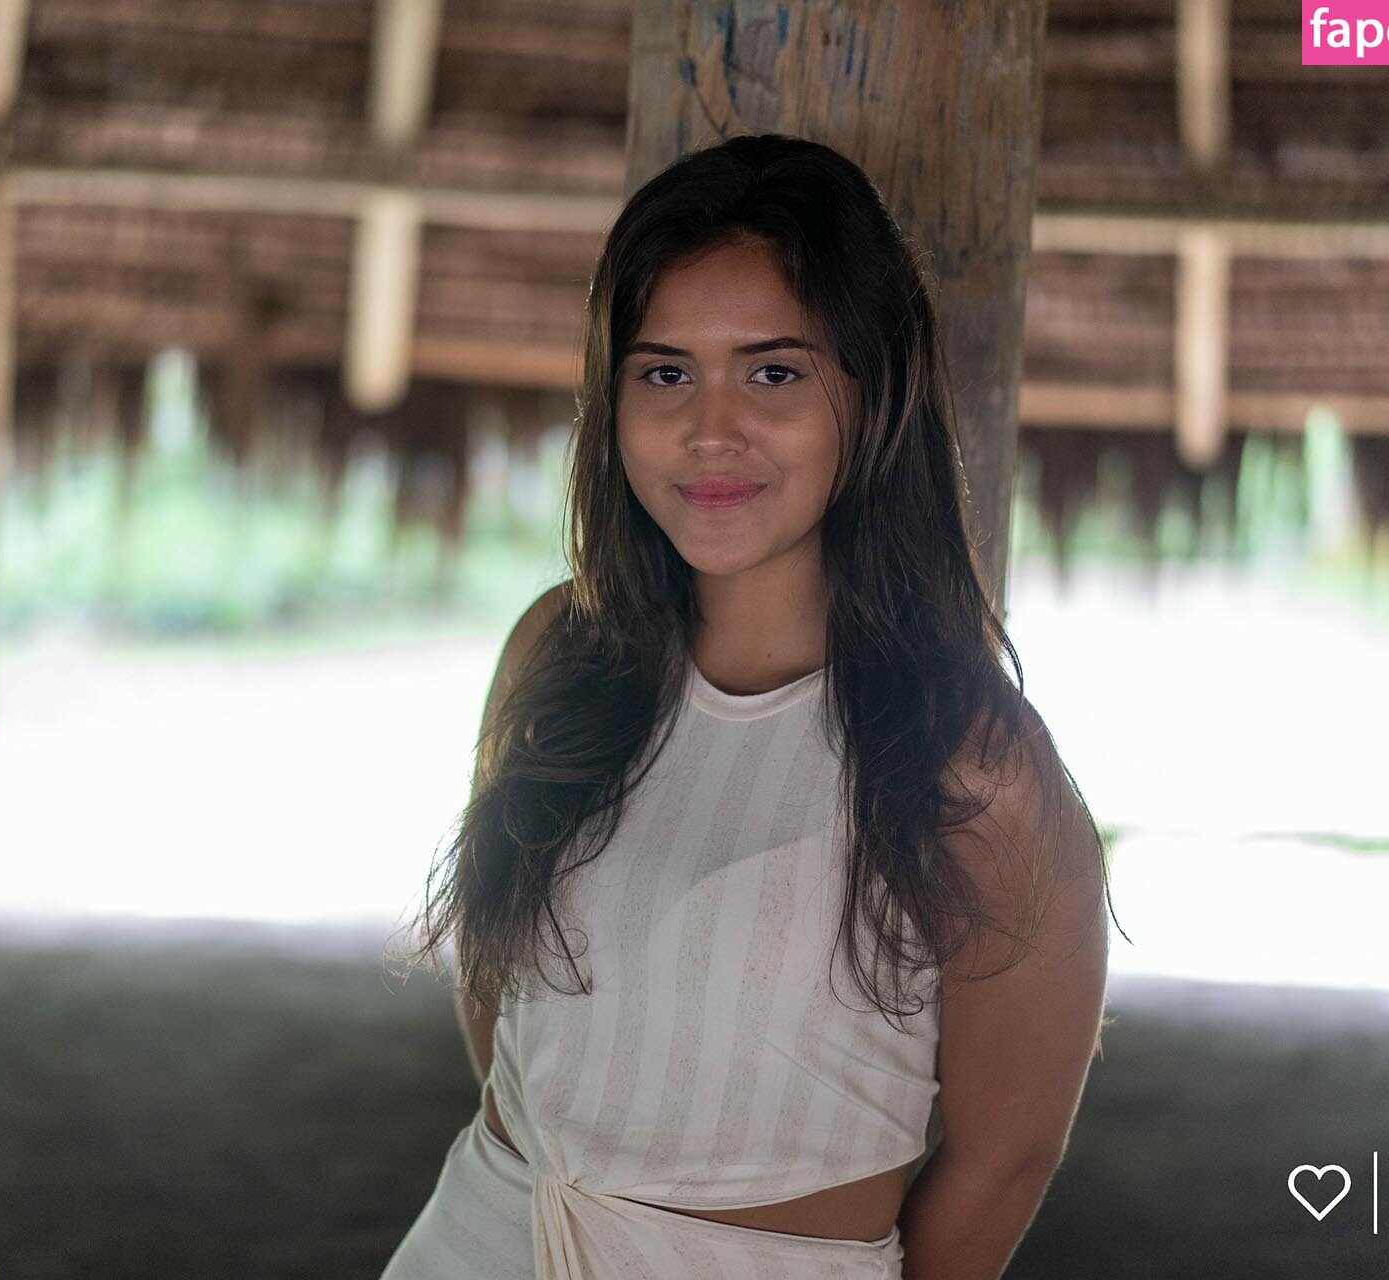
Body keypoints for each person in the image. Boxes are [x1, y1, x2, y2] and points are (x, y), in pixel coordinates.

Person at [382, 132, 1122, 1280]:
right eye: (664, 372)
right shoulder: (559, 654)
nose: (710, 428)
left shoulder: (971, 768)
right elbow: (508, 1010)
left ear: (870, 391)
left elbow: (1005, 1157)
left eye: (773, 373)